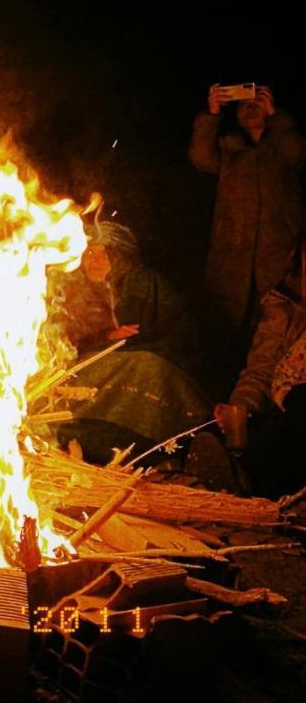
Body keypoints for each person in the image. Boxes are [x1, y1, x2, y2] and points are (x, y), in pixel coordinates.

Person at [50, 221, 213, 466]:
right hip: (85, 366)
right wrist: (105, 337)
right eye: (89, 253)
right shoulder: (75, 290)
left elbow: (177, 337)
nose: (93, 260)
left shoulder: (145, 285)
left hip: (158, 361)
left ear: (120, 257)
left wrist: (128, 340)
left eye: (103, 253)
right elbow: (67, 338)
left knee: (148, 368)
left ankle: (178, 443)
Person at [190, 84, 304, 354]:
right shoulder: (230, 150)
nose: (249, 109)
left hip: (279, 261)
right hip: (232, 258)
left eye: (256, 104)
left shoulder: (283, 146)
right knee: (228, 335)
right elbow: (200, 158)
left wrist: (276, 116)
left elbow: (297, 155)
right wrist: (211, 114)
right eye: (243, 105)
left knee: (278, 334)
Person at [214, 242, 306, 497]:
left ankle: (254, 482)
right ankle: (237, 476)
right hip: (280, 417)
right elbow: (261, 371)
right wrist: (242, 406)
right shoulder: (287, 312)